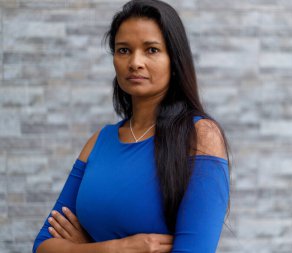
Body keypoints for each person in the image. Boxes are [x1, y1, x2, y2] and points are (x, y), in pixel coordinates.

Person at [32, 0, 230, 252]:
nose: (135, 62)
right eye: (123, 50)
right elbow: (42, 246)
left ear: (175, 58)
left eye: (152, 50)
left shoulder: (200, 136)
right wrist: (115, 248)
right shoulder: (98, 142)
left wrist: (82, 248)